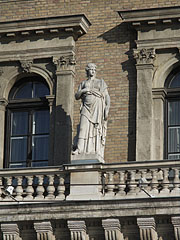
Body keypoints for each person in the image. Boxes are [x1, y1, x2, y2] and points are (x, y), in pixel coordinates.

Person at [72, 63, 110, 159]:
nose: (93, 71)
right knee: (82, 127)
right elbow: (77, 96)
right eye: (91, 69)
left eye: (94, 69)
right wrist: (84, 90)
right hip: (86, 107)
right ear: (87, 71)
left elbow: (106, 96)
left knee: (95, 128)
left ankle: (95, 149)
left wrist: (107, 108)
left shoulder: (100, 82)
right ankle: (80, 149)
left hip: (97, 106)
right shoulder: (83, 83)